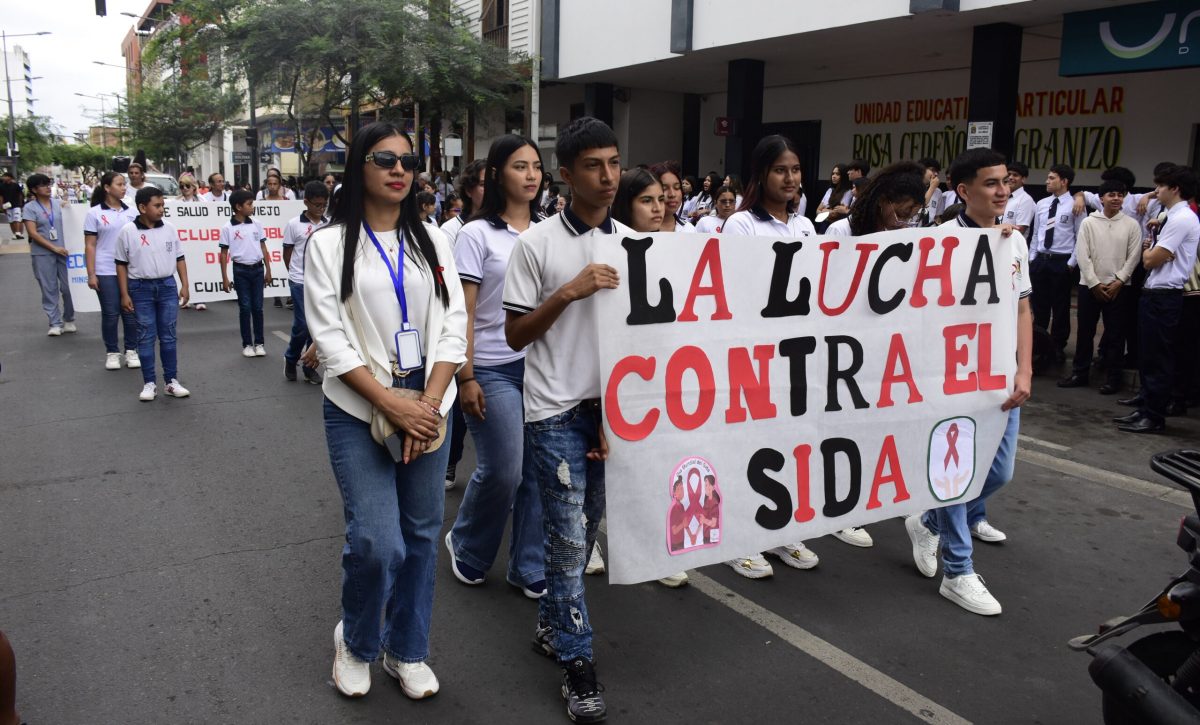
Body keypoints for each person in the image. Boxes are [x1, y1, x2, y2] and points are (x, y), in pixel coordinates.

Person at [304, 121, 466, 701]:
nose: (399, 170)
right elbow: (329, 337)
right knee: (377, 541)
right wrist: (391, 402)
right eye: (384, 159)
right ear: (359, 167)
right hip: (359, 403)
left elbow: (454, 323)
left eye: (408, 161)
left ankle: (407, 649)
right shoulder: (327, 244)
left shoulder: (433, 240)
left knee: (420, 534)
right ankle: (356, 641)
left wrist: (428, 403)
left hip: (429, 398)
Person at [503, 116, 630, 723]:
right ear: (567, 175)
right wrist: (567, 292)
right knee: (568, 540)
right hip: (554, 410)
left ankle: (553, 626)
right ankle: (579, 667)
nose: (608, 177)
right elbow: (515, 334)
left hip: (611, 413)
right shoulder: (536, 244)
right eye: (593, 166)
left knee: (584, 535)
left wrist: (619, 411)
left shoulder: (633, 242)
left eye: (614, 163)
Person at [905, 147, 1033, 616]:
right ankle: (958, 571)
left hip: (999, 377)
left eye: (1006, 182)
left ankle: (928, 520)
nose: (1003, 191)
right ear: (963, 191)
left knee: (998, 472)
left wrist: (1024, 369)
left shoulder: (1013, 242)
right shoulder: (938, 242)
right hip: (950, 379)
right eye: (991, 183)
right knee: (953, 475)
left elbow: (1022, 308)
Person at [444, 133, 547, 601]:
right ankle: (467, 541)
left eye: (536, 166)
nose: (531, 175)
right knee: (505, 470)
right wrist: (465, 376)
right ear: (497, 173)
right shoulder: (476, 234)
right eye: (520, 166)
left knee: (538, 470)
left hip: (541, 367)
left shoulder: (548, 230)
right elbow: (463, 312)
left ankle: (529, 564)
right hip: (490, 366)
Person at [715, 136, 819, 577]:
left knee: (789, 444)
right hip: (752, 354)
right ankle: (739, 538)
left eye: (795, 169)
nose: (790, 178)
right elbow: (737, 288)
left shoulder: (806, 226)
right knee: (748, 445)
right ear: (761, 175)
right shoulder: (741, 225)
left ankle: (779, 528)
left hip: (796, 355)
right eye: (780, 170)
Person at [1114, 164, 1200, 434]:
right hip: (1154, 293)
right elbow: (1154, 255)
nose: (1157, 190)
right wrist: (1153, 245)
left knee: (1159, 357)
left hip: (1165, 294)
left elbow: (1150, 260)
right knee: (1148, 354)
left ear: (1175, 189)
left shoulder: (1182, 218)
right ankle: (1145, 407)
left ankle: (1154, 415)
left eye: (1161, 186)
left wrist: (1150, 248)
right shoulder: (1169, 216)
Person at [1058, 180, 1142, 394]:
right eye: (1111, 194)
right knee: (1085, 332)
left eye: (1120, 195)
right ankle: (1080, 373)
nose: (1116, 198)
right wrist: (1094, 283)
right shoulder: (1089, 222)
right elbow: (1082, 254)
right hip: (1089, 286)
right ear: (1101, 198)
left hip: (1119, 288)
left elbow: (1134, 256)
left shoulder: (1132, 224)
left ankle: (1114, 379)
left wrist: (1120, 280)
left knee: (1115, 335)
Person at [116, 186, 191, 402]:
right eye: (156, 206)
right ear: (142, 208)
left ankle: (171, 381)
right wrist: (124, 294)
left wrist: (184, 285)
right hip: (140, 288)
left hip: (167, 286)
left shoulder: (169, 228)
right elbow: (120, 264)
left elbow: (179, 258)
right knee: (146, 336)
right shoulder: (128, 231)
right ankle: (149, 383)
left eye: (162, 205)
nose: (161, 210)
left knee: (168, 335)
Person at [441, 159, 487, 490]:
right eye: (484, 183)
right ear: (469, 189)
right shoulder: (452, 231)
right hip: (463, 331)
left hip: (504, 337)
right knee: (459, 404)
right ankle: (450, 461)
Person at [84, 172, 140, 370]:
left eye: (124, 184)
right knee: (110, 313)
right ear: (107, 188)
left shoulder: (132, 212)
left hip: (130, 269)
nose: (124, 188)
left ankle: (131, 350)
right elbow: (90, 245)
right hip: (105, 268)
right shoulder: (94, 213)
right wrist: (91, 274)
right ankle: (112, 352)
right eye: (119, 184)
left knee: (130, 311)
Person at [1029, 164, 1082, 363]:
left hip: (1061, 261)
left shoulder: (1075, 205)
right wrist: (1032, 257)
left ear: (1064, 181)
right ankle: (1039, 344)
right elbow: (1036, 233)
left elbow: (1080, 236)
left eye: (1052, 178)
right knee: (1039, 306)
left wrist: (1071, 263)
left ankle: (1058, 345)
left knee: (1060, 307)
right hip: (1041, 259)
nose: (1047, 181)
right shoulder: (1042, 203)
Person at [283, 180, 330, 384]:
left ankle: (310, 368)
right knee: (302, 324)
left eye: (324, 205)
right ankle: (291, 358)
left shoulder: (329, 224)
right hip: (299, 280)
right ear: (306, 202)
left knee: (317, 327)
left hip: (321, 281)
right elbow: (288, 252)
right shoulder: (294, 224)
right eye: (317, 205)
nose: (321, 209)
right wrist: (294, 274)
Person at [219, 189, 274, 358]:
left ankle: (259, 343)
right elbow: (223, 254)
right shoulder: (228, 228)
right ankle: (247, 344)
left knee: (258, 308)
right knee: (245, 307)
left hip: (257, 269)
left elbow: (263, 247)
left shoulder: (257, 224)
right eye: (249, 204)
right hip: (240, 270)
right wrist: (225, 278)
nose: (252, 207)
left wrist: (268, 270)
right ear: (238, 207)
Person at [22, 173, 75, 336]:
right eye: (43, 185)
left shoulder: (59, 204)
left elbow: (73, 220)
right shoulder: (30, 208)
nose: (48, 187)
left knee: (68, 287)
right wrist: (53, 248)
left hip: (65, 252)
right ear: (34, 189)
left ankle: (69, 318)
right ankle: (55, 322)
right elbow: (33, 233)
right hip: (42, 253)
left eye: (48, 184)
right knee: (49, 288)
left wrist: (71, 207)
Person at [441, 159, 485, 249]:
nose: (491, 190)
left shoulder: (506, 226)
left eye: (493, 185)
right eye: (483, 184)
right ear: (468, 190)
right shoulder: (450, 230)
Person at [611, 168, 665, 233]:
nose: (658, 208)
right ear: (625, 204)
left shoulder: (668, 238)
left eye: (661, 200)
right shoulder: (604, 238)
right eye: (647, 201)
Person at [1002, 161, 1036, 235]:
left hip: (1012, 242)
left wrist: (996, 229)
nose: (1010, 177)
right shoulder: (1001, 196)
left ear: (1023, 179)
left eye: (1015, 175)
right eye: (1008, 174)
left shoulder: (1026, 200)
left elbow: (1019, 231)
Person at [2, 172, 25, 239]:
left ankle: (18, 232)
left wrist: (20, 204)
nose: (4, 178)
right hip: (7, 205)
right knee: (11, 221)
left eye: (5, 176)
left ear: (10, 177)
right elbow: (1, 197)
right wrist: (2, 206)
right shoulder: (1, 186)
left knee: (17, 218)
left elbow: (20, 195)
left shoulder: (15, 185)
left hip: (16, 204)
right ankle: (15, 234)